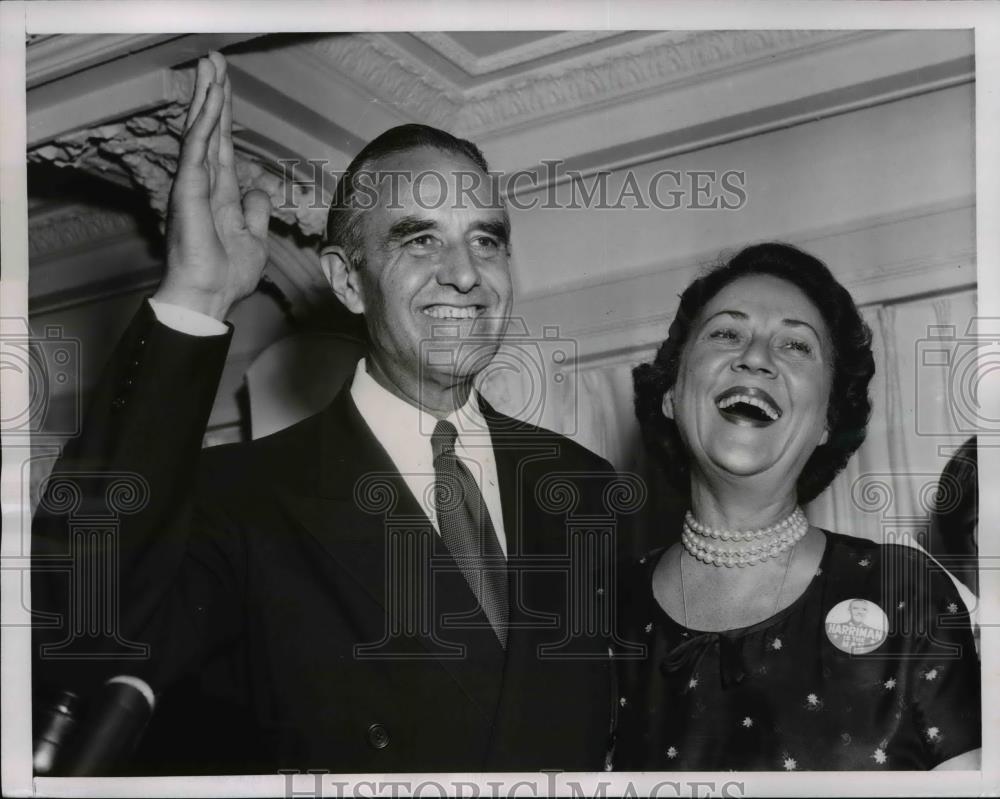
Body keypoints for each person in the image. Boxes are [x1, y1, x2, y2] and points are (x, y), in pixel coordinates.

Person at [31, 53, 625, 774]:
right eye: (420, 238)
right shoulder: (242, 499)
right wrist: (196, 295)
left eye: (486, 239)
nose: (465, 273)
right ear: (347, 281)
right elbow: (87, 623)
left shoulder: (588, 489)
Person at [613, 243, 981, 771]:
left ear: (828, 419)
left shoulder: (907, 594)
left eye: (796, 346)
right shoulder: (599, 612)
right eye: (725, 333)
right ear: (670, 393)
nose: (756, 357)